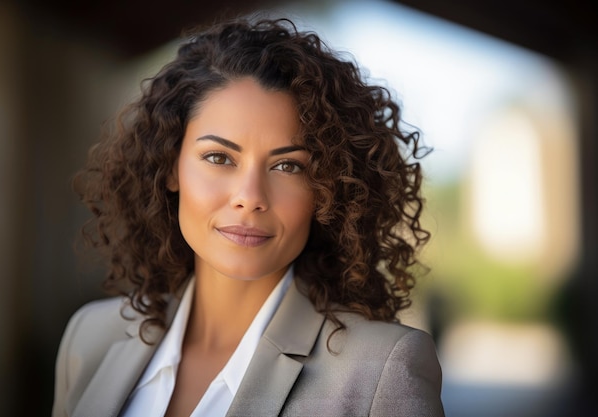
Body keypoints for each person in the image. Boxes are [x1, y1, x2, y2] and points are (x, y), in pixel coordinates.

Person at [52, 16, 444, 417]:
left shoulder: (381, 371)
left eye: (288, 166)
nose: (250, 197)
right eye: (219, 158)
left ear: (327, 188)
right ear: (171, 167)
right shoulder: (89, 340)